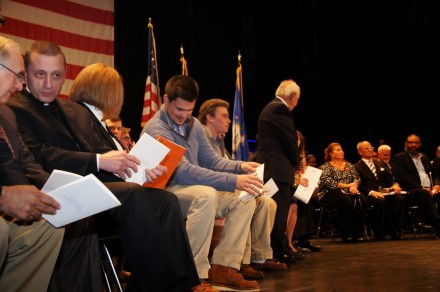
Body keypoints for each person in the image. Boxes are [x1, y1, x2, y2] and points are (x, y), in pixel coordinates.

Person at [8, 42, 200, 291]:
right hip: (61, 192)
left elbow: (98, 150)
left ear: (65, 74)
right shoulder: (15, 108)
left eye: (55, 75)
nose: (48, 84)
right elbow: (40, 156)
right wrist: (101, 161)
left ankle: (175, 285)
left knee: (166, 201)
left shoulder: (70, 109)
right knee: (133, 194)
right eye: (40, 74)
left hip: (92, 188)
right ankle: (165, 285)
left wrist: (136, 169)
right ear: (25, 74)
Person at [142, 75, 278, 292]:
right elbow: (183, 172)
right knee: (205, 195)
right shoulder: (156, 128)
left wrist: (241, 166)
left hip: (186, 187)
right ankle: (192, 275)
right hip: (163, 191)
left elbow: (210, 160)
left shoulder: (193, 124)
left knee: (244, 200)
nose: (184, 115)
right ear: (166, 100)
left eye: (189, 110)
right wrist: (234, 180)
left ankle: (223, 268)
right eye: (179, 109)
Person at [0, 35, 65, 292]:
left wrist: (53, 194)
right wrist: (4, 197)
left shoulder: (5, 113)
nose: (19, 86)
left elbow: (23, 162)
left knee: (49, 226)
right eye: (17, 75)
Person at [197, 98, 282, 280]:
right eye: (225, 116)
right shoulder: (201, 137)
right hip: (208, 189)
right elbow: (209, 169)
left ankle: (256, 258)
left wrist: (245, 168)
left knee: (268, 202)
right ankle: (234, 264)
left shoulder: (218, 141)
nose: (229, 121)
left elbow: (225, 163)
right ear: (209, 118)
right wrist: (241, 177)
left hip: (222, 186)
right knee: (246, 199)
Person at [255, 79, 302, 261]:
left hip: (273, 169)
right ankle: (276, 252)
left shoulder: (271, 108)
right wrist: (297, 162)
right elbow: (289, 140)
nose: (297, 104)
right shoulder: (279, 109)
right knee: (278, 211)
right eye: (297, 99)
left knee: (276, 210)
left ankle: (276, 250)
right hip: (277, 170)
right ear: (292, 96)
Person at [354, 141, 405, 240]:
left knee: (400, 199)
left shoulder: (379, 164)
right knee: (380, 201)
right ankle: (380, 232)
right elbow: (358, 185)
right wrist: (371, 192)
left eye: (371, 147)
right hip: (368, 194)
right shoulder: (356, 167)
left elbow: (389, 179)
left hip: (384, 193)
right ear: (360, 152)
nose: (370, 150)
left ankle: (396, 230)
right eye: (366, 148)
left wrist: (394, 185)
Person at [390, 134, 440, 236]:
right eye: (410, 142)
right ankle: (438, 224)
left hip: (430, 191)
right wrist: (421, 187)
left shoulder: (424, 158)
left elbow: (434, 174)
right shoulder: (399, 158)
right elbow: (401, 178)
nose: (413, 145)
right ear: (406, 144)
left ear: (420, 144)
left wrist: (436, 184)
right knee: (423, 193)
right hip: (412, 192)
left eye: (416, 143)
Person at [317, 142, 367, 242]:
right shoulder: (325, 167)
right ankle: (347, 234)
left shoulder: (349, 165)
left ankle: (359, 233)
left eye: (341, 149)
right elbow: (329, 182)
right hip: (329, 193)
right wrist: (348, 185)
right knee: (345, 201)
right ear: (331, 153)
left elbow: (357, 178)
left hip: (348, 192)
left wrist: (354, 186)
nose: (341, 152)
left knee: (362, 200)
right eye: (338, 150)